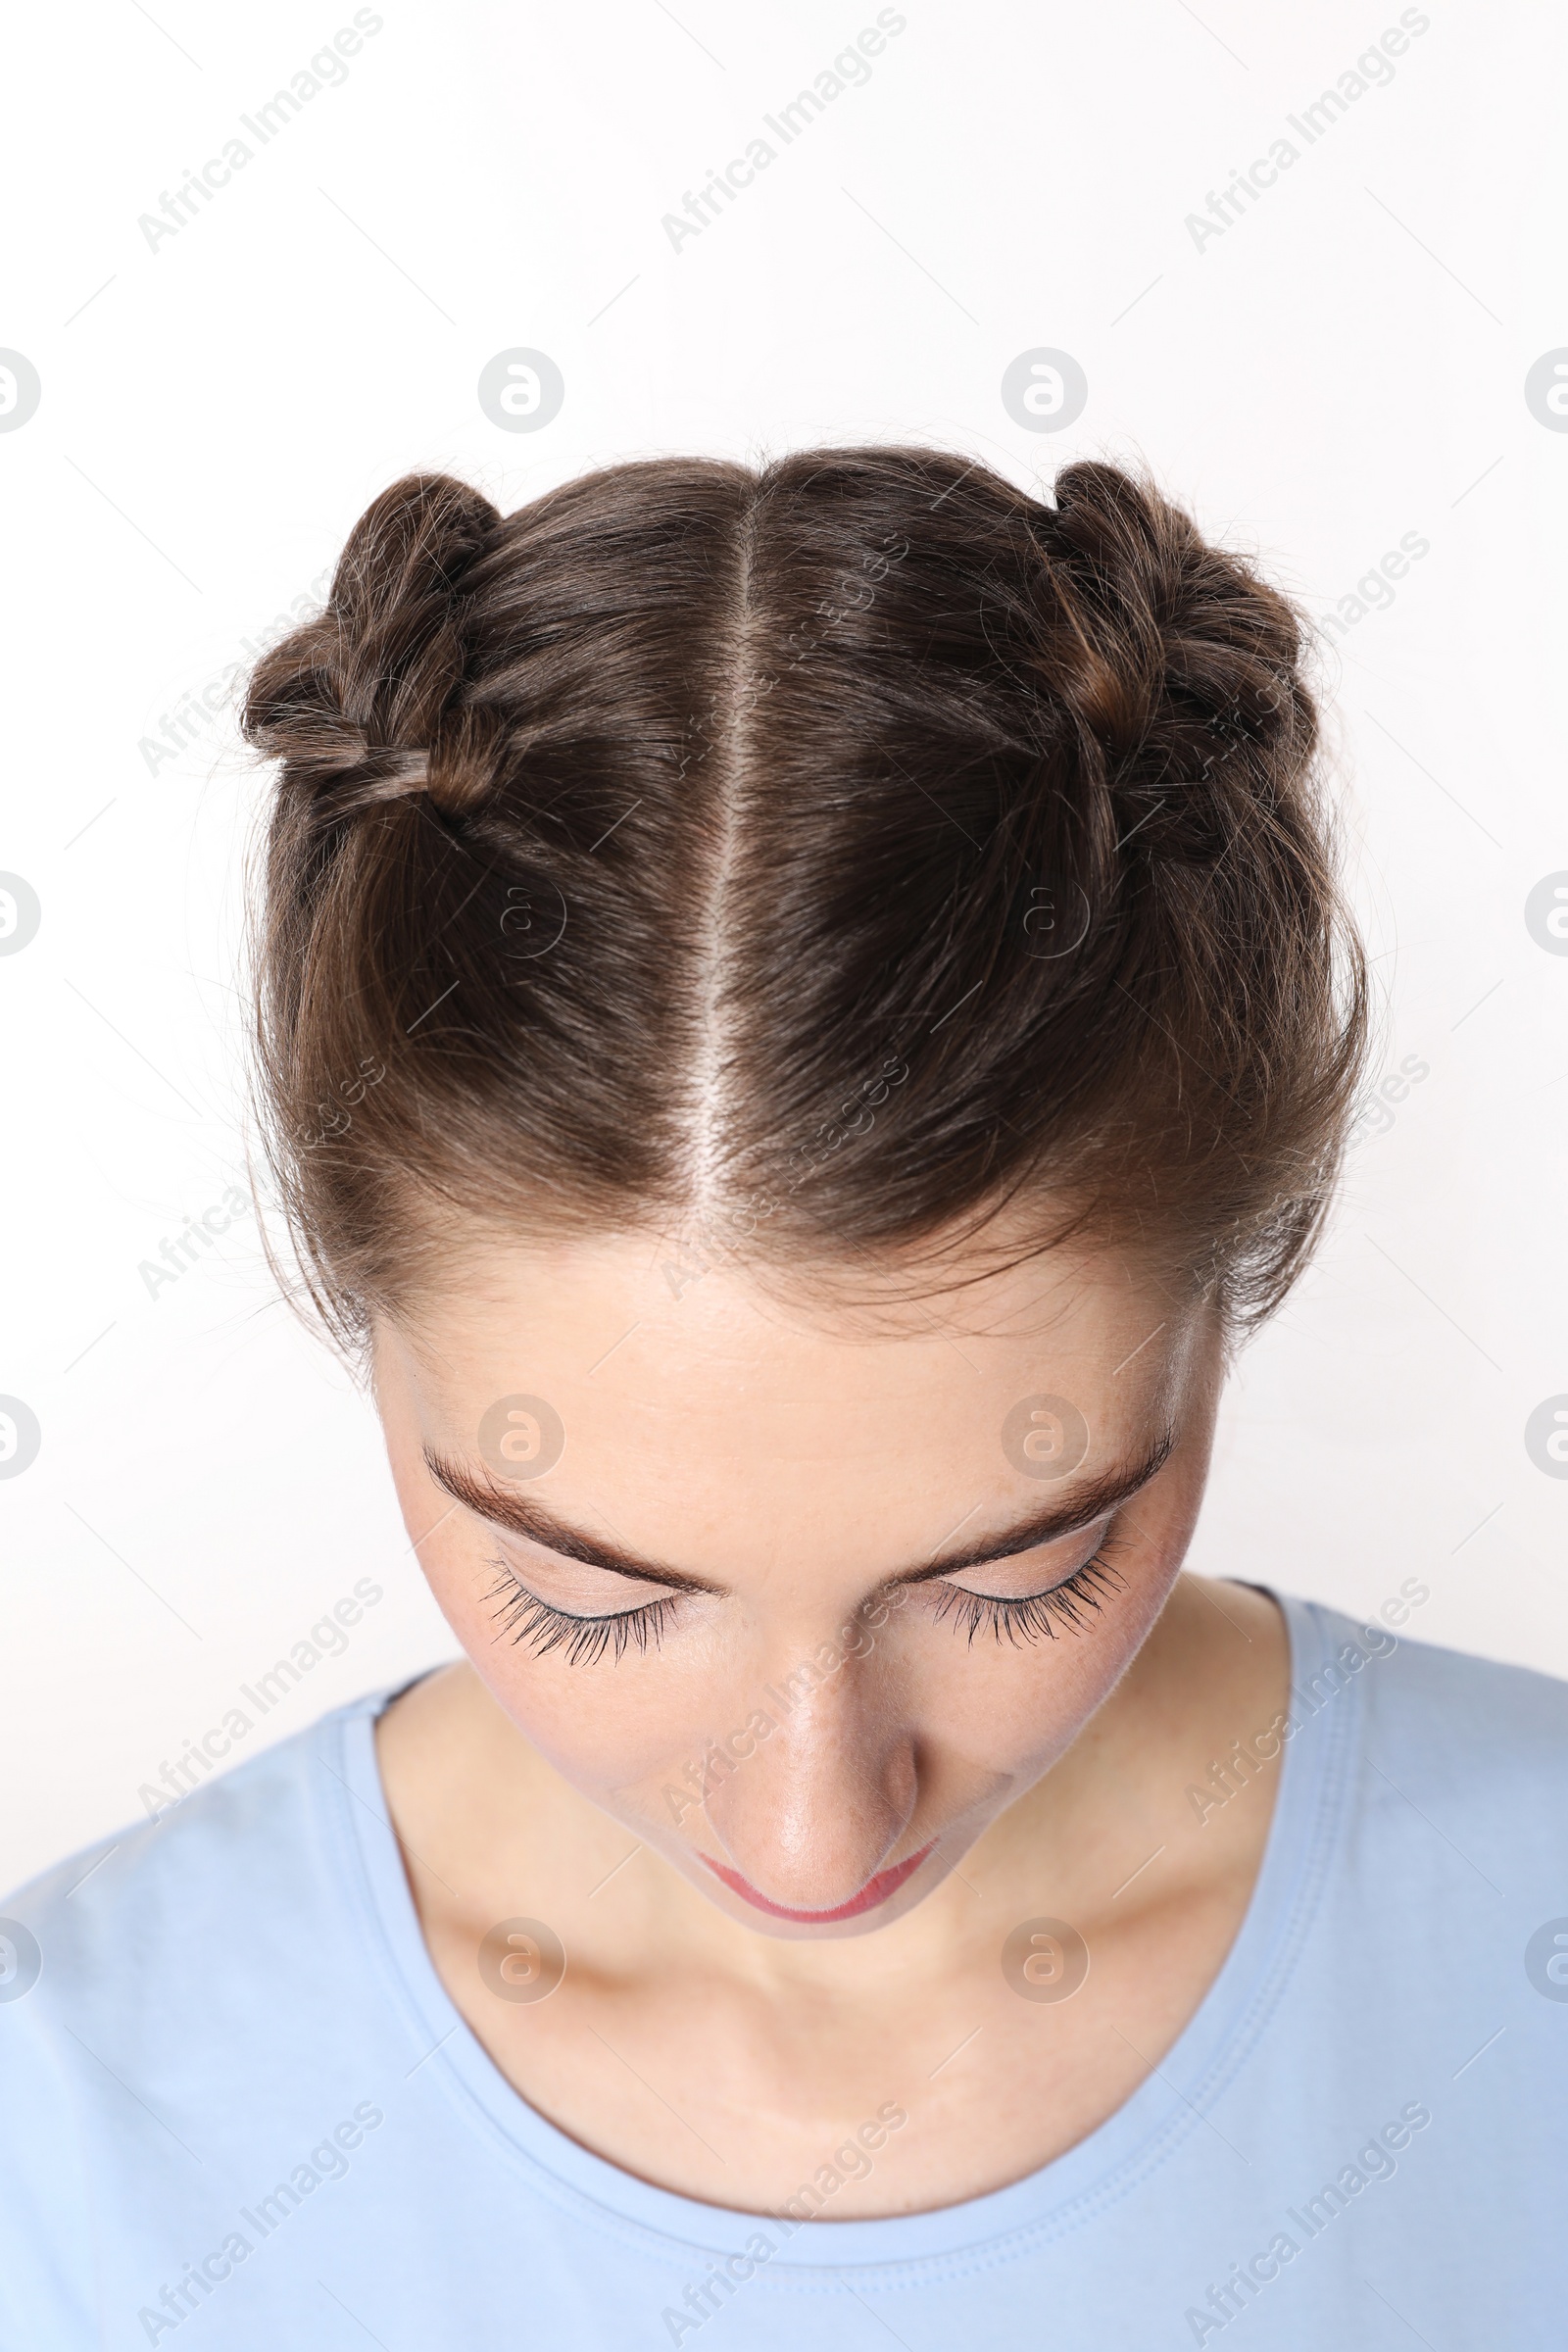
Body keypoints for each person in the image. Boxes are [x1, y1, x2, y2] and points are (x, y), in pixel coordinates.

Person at [1, 449, 1561, 2349]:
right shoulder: (64, 2124)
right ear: (361, 1315)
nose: (818, 1837)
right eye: (594, 1594)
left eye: (1019, 1577)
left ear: (1224, 1298)